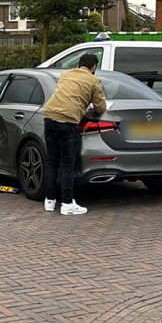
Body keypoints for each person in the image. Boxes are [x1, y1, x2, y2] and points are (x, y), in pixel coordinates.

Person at [42, 53, 107, 215]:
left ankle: (49, 201)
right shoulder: (93, 80)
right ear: (93, 68)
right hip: (68, 120)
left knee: (52, 162)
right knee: (67, 164)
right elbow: (101, 107)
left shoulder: (65, 74)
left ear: (79, 65)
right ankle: (67, 203)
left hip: (49, 116)